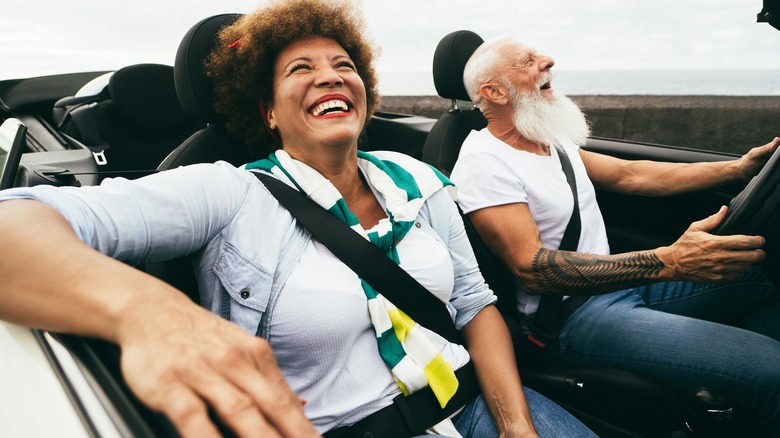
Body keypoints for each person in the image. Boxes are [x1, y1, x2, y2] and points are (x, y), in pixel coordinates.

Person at [0, 3, 597, 438]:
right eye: (299, 69)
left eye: (342, 64)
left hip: (476, 407)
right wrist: (146, 312)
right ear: (267, 111)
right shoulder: (228, 190)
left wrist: (516, 425)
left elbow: (472, 302)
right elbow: (16, 220)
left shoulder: (417, 179)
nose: (330, 75)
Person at [450, 35, 780, 434]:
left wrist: (739, 169)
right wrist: (669, 261)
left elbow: (631, 174)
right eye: (529, 60)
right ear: (494, 92)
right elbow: (532, 268)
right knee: (774, 371)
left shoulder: (547, 143)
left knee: (763, 275)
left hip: (622, 288)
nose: (548, 61)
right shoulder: (484, 163)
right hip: (574, 318)